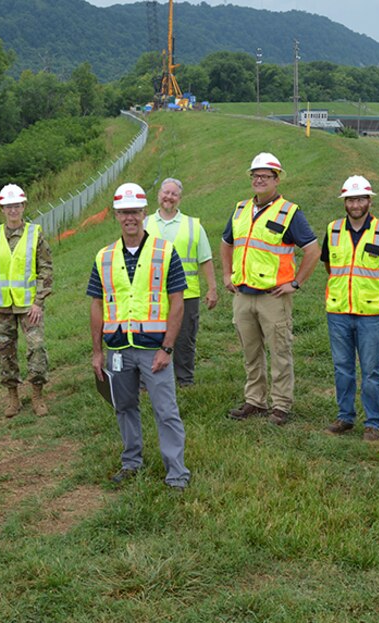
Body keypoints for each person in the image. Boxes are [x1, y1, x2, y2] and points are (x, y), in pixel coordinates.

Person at [89, 182, 190, 492]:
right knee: (124, 406)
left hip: (154, 350)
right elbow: (96, 304)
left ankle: (176, 473)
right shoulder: (104, 257)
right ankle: (131, 462)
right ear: (116, 216)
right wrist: (96, 351)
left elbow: (177, 302)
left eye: (134, 211)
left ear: (144, 213)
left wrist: (168, 348)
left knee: (165, 410)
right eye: (123, 213)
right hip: (118, 348)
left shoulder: (164, 252)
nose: (129, 218)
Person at [220, 152, 320, 425]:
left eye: (266, 176)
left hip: (273, 297)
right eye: (256, 175)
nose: (259, 180)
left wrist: (296, 282)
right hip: (242, 295)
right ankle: (255, 400)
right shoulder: (240, 209)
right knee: (250, 352)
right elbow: (226, 242)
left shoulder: (290, 212)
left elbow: (312, 250)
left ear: (277, 180)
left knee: (279, 352)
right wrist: (227, 274)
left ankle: (281, 405)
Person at [322, 175, 379, 441]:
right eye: (350, 200)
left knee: (370, 370)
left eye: (360, 199)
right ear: (345, 203)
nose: (356, 204)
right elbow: (330, 267)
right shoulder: (333, 230)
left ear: (369, 201)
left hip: (371, 315)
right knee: (342, 367)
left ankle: (372, 422)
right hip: (338, 312)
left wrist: (374, 290)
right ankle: (345, 416)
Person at [0, 183, 53, 417]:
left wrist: (39, 301)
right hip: (0, 307)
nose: (13, 210)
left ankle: (37, 395)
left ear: (23, 206)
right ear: (2, 208)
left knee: (37, 348)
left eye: (17, 205)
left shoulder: (35, 234)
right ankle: (13, 397)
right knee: (4, 352)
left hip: (29, 305)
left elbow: (46, 269)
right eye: (8, 206)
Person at [143, 178, 218, 387]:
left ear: (180, 198)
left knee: (185, 340)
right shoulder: (145, 224)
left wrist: (212, 288)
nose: (169, 197)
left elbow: (205, 259)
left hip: (187, 295)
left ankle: (185, 381)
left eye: (174, 194)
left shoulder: (193, 226)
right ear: (158, 195)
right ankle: (149, 380)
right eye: (166, 192)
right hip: (152, 295)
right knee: (150, 338)